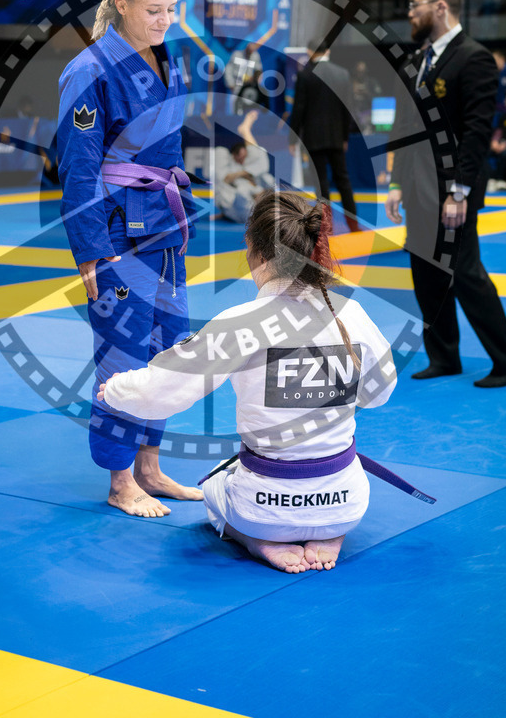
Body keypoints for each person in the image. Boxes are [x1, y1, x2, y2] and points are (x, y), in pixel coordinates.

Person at [98, 190, 397, 573]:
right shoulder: (351, 312)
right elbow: (378, 394)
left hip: (264, 508)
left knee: (215, 483)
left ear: (253, 249)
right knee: (325, 474)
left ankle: (254, 538)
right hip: (346, 503)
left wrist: (119, 390)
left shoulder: (241, 321)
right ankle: (327, 529)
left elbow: (165, 391)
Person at [58, 0, 202, 517]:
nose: (165, 20)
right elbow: (78, 170)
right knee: (123, 355)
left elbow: (167, 152)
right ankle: (120, 482)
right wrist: (91, 252)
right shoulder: (88, 71)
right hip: (118, 232)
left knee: (168, 350)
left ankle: (150, 467)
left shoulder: (171, 61)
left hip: (165, 228)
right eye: (154, 10)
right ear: (121, 4)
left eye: (172, 9)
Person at [385, 0, 506, 388]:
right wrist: (395, 181)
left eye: (415, 5)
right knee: (426, 274)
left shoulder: (473, 57)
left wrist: (459, 190)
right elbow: (406, 125)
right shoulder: (418, 59)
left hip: (451, 187)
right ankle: (443, 356)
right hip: (416, 183)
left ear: (440, 7)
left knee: (464, 272)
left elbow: (478, 130)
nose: (409, 13)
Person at [289, 37, 359, 232]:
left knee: (321, 184)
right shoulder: (343, 74)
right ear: (327, 51)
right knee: (343, 180)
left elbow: (298, 110)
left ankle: (327, 228)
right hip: (337, 136)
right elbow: (348, 110)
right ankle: (353, 225)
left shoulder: (305, 75)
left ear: (310, 51)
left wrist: (292, 139)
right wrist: (344, 137)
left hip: (313, 138)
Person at [214, 108, 275, 223]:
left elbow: (260, 189)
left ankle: (245, 130)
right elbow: (225, 180)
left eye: (245, 157)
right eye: (240, 158)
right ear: (234, 156)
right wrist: (245, 175)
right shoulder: (227, 162)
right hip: (239, 207)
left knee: (261, 159)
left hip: (249, 205)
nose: (244, 160)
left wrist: (244, 174)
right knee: (243, 189)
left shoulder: (250, 165)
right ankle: (245, 130)